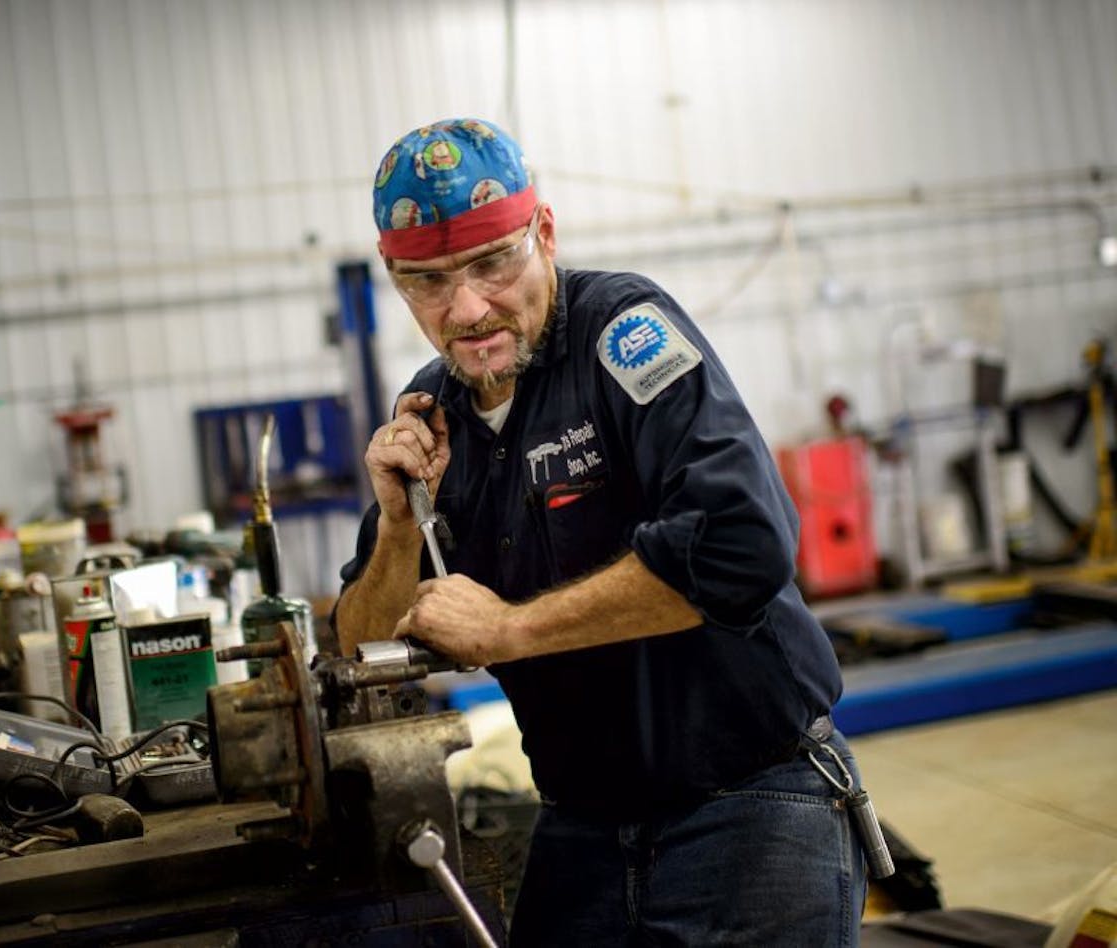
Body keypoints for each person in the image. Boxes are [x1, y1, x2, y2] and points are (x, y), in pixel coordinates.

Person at [333, 117, 872, 947]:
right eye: (429, 281)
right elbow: (358, 653)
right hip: (582, 830)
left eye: (492, 263)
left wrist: (509, 630)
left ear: (544, 234)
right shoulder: (431, 415)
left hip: (750, 806)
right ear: (393, 279)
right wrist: (399, 530)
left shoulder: (624, 332)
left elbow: (742, 544)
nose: (468, 308)